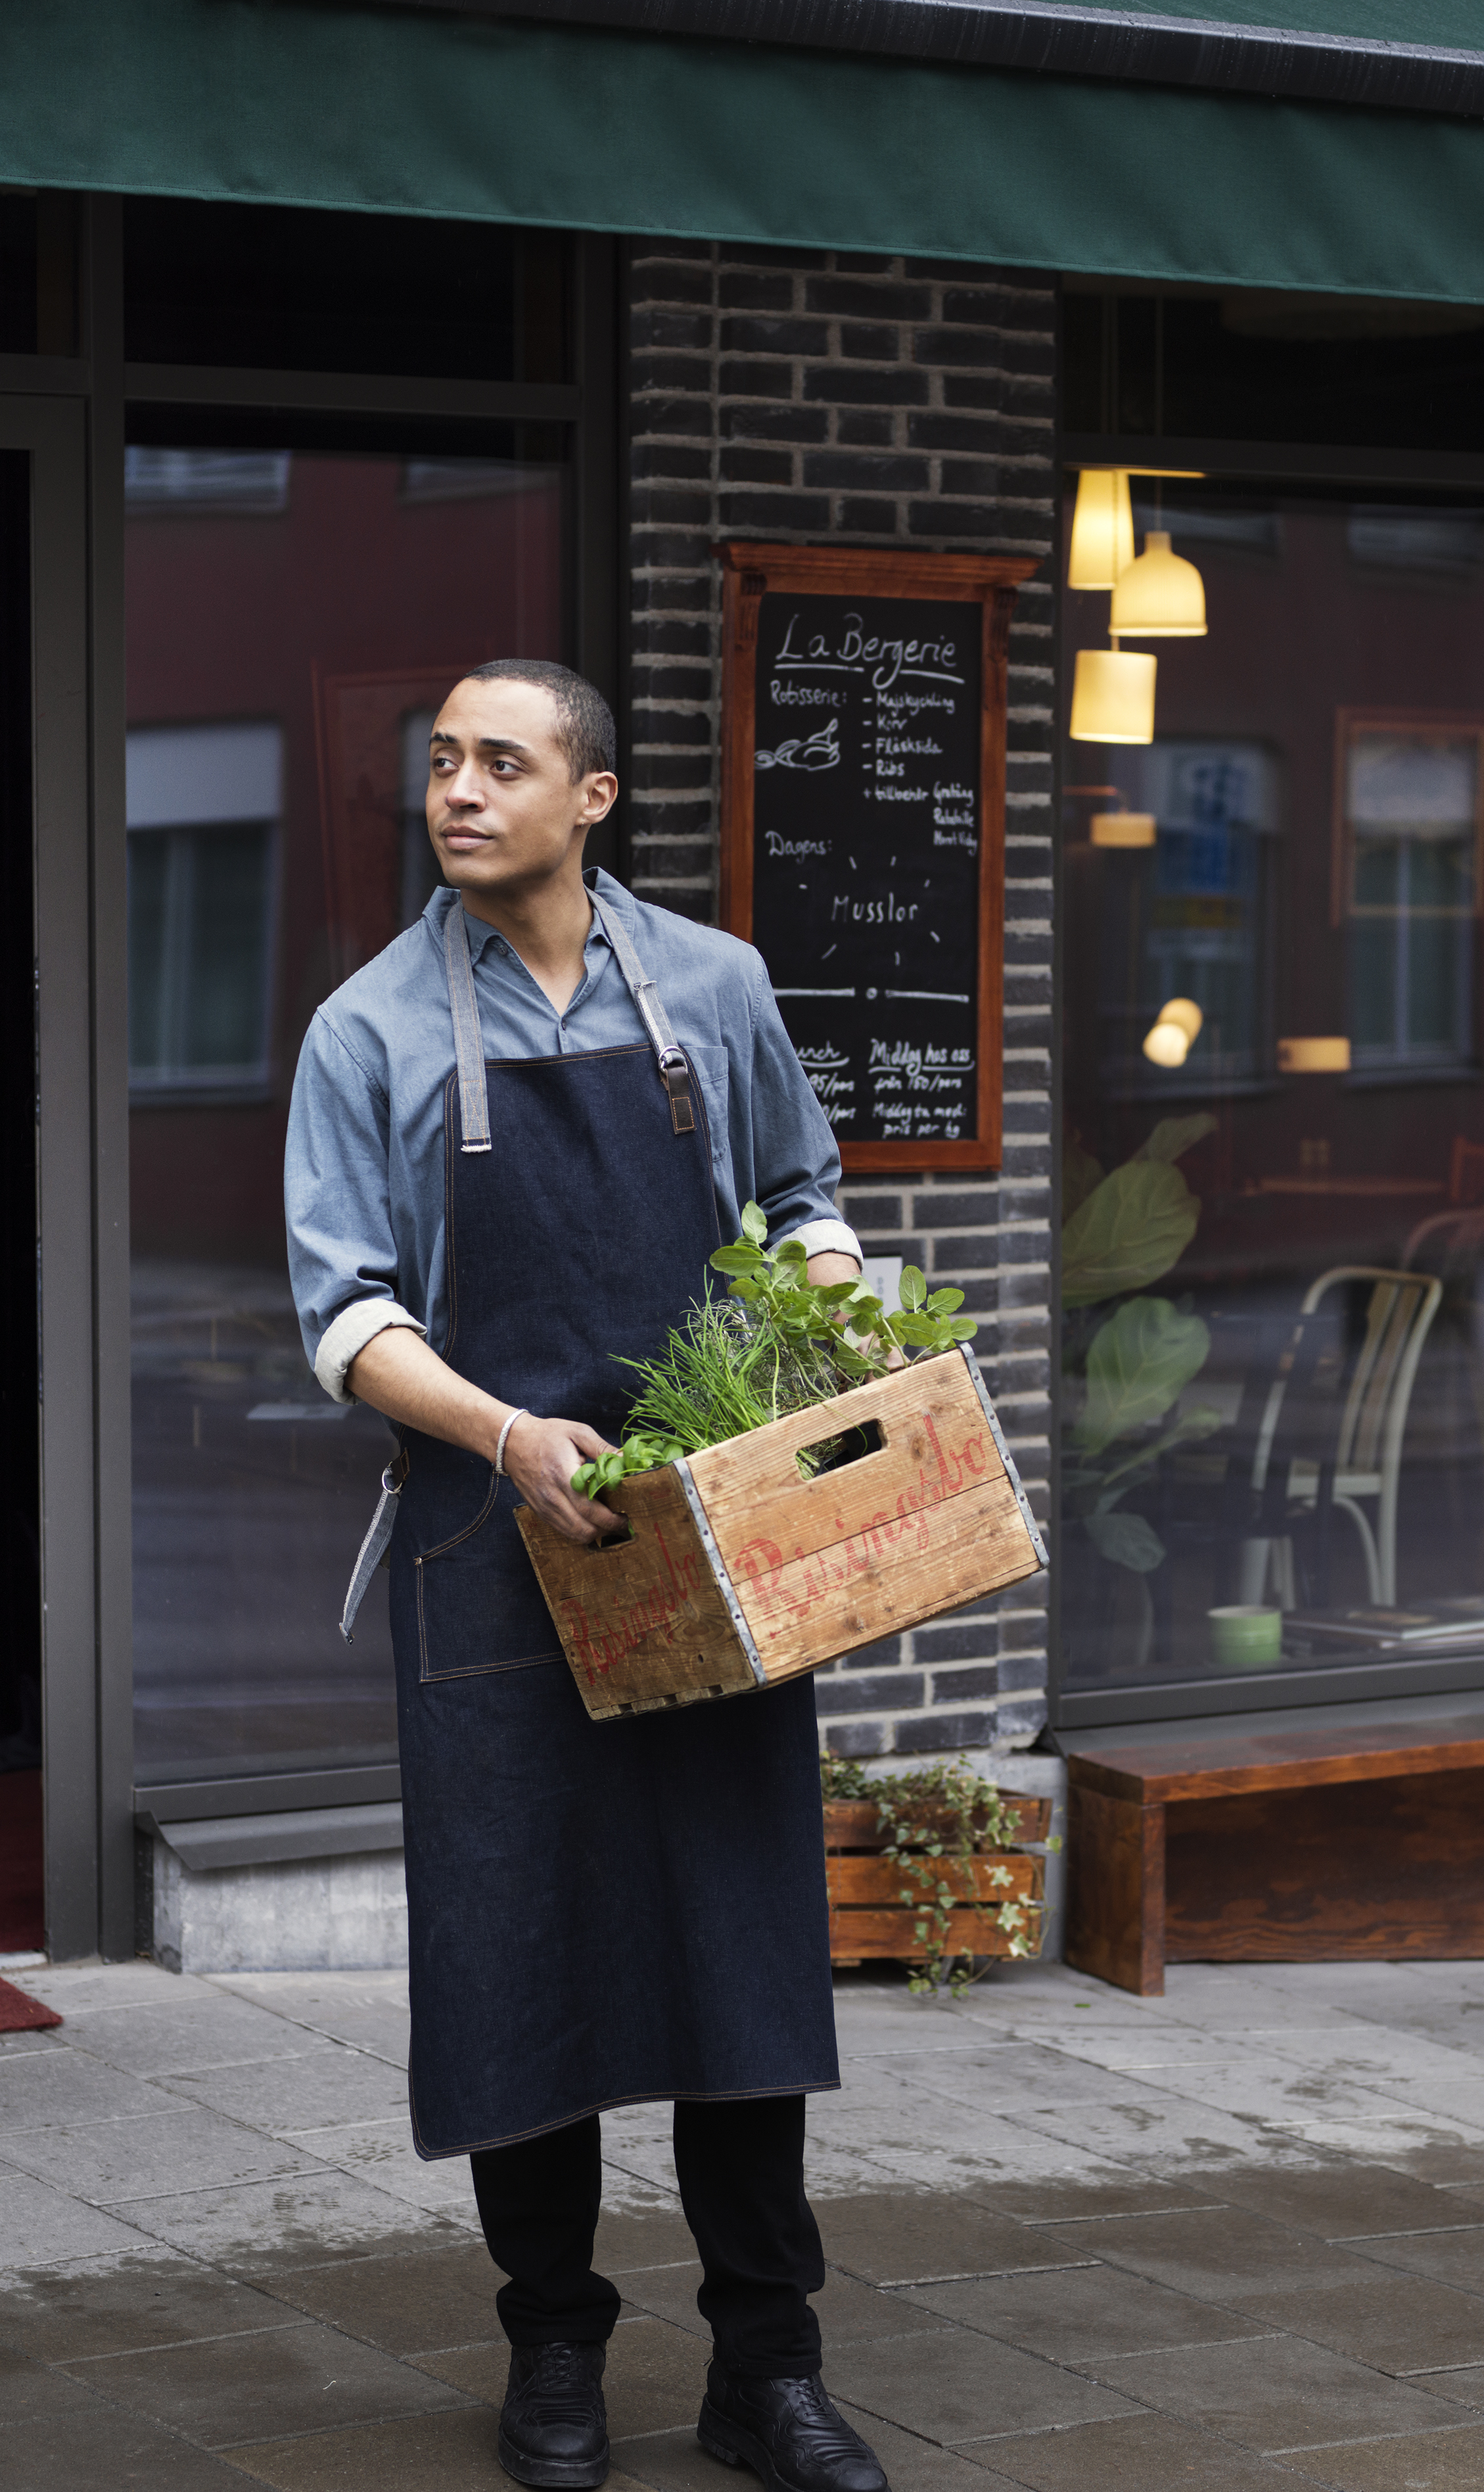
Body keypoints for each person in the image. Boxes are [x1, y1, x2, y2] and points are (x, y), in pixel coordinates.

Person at [286, 661, 885, 2492]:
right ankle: (550, 2350)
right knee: (514, 1951)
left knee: (738, 1953)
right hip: (494, 1542)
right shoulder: (366, 1026)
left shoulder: (713, 986)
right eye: (443, 762)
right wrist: (501, 1431)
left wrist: (833, 1320)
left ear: (592, 797)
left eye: (499, 762)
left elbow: (803, 1199)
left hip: (709, 1546)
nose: (455, 790)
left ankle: (763, 2366)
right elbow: (342, 1314)